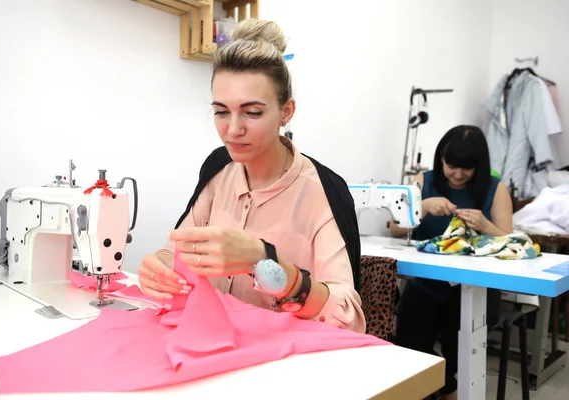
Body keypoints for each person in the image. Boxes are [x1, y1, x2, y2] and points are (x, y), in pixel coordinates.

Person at [137, 19, 365, 334]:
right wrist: (160, 264)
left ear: (286, 111)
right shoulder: (218, 169)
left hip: (284, 363)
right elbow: (178, 249)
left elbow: (349, 318)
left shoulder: (324, 191)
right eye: (220, 112)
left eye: (253, 112)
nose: (233, 130)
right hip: (209, 347)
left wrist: (266, 261)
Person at [389, 125, 513, 400]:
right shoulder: (424, 181)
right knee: (408, 342)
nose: (457, 174)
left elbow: (509, 240)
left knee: (460, 343)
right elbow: (394, 229)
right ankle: (448, 387)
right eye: (451, 166)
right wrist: (421, 207)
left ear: (479, 166)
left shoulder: (495, 189)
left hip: (474, 286)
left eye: (466, 168)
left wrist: (485, 225)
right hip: (427, 283)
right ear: (441, 159)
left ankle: (452, 386)